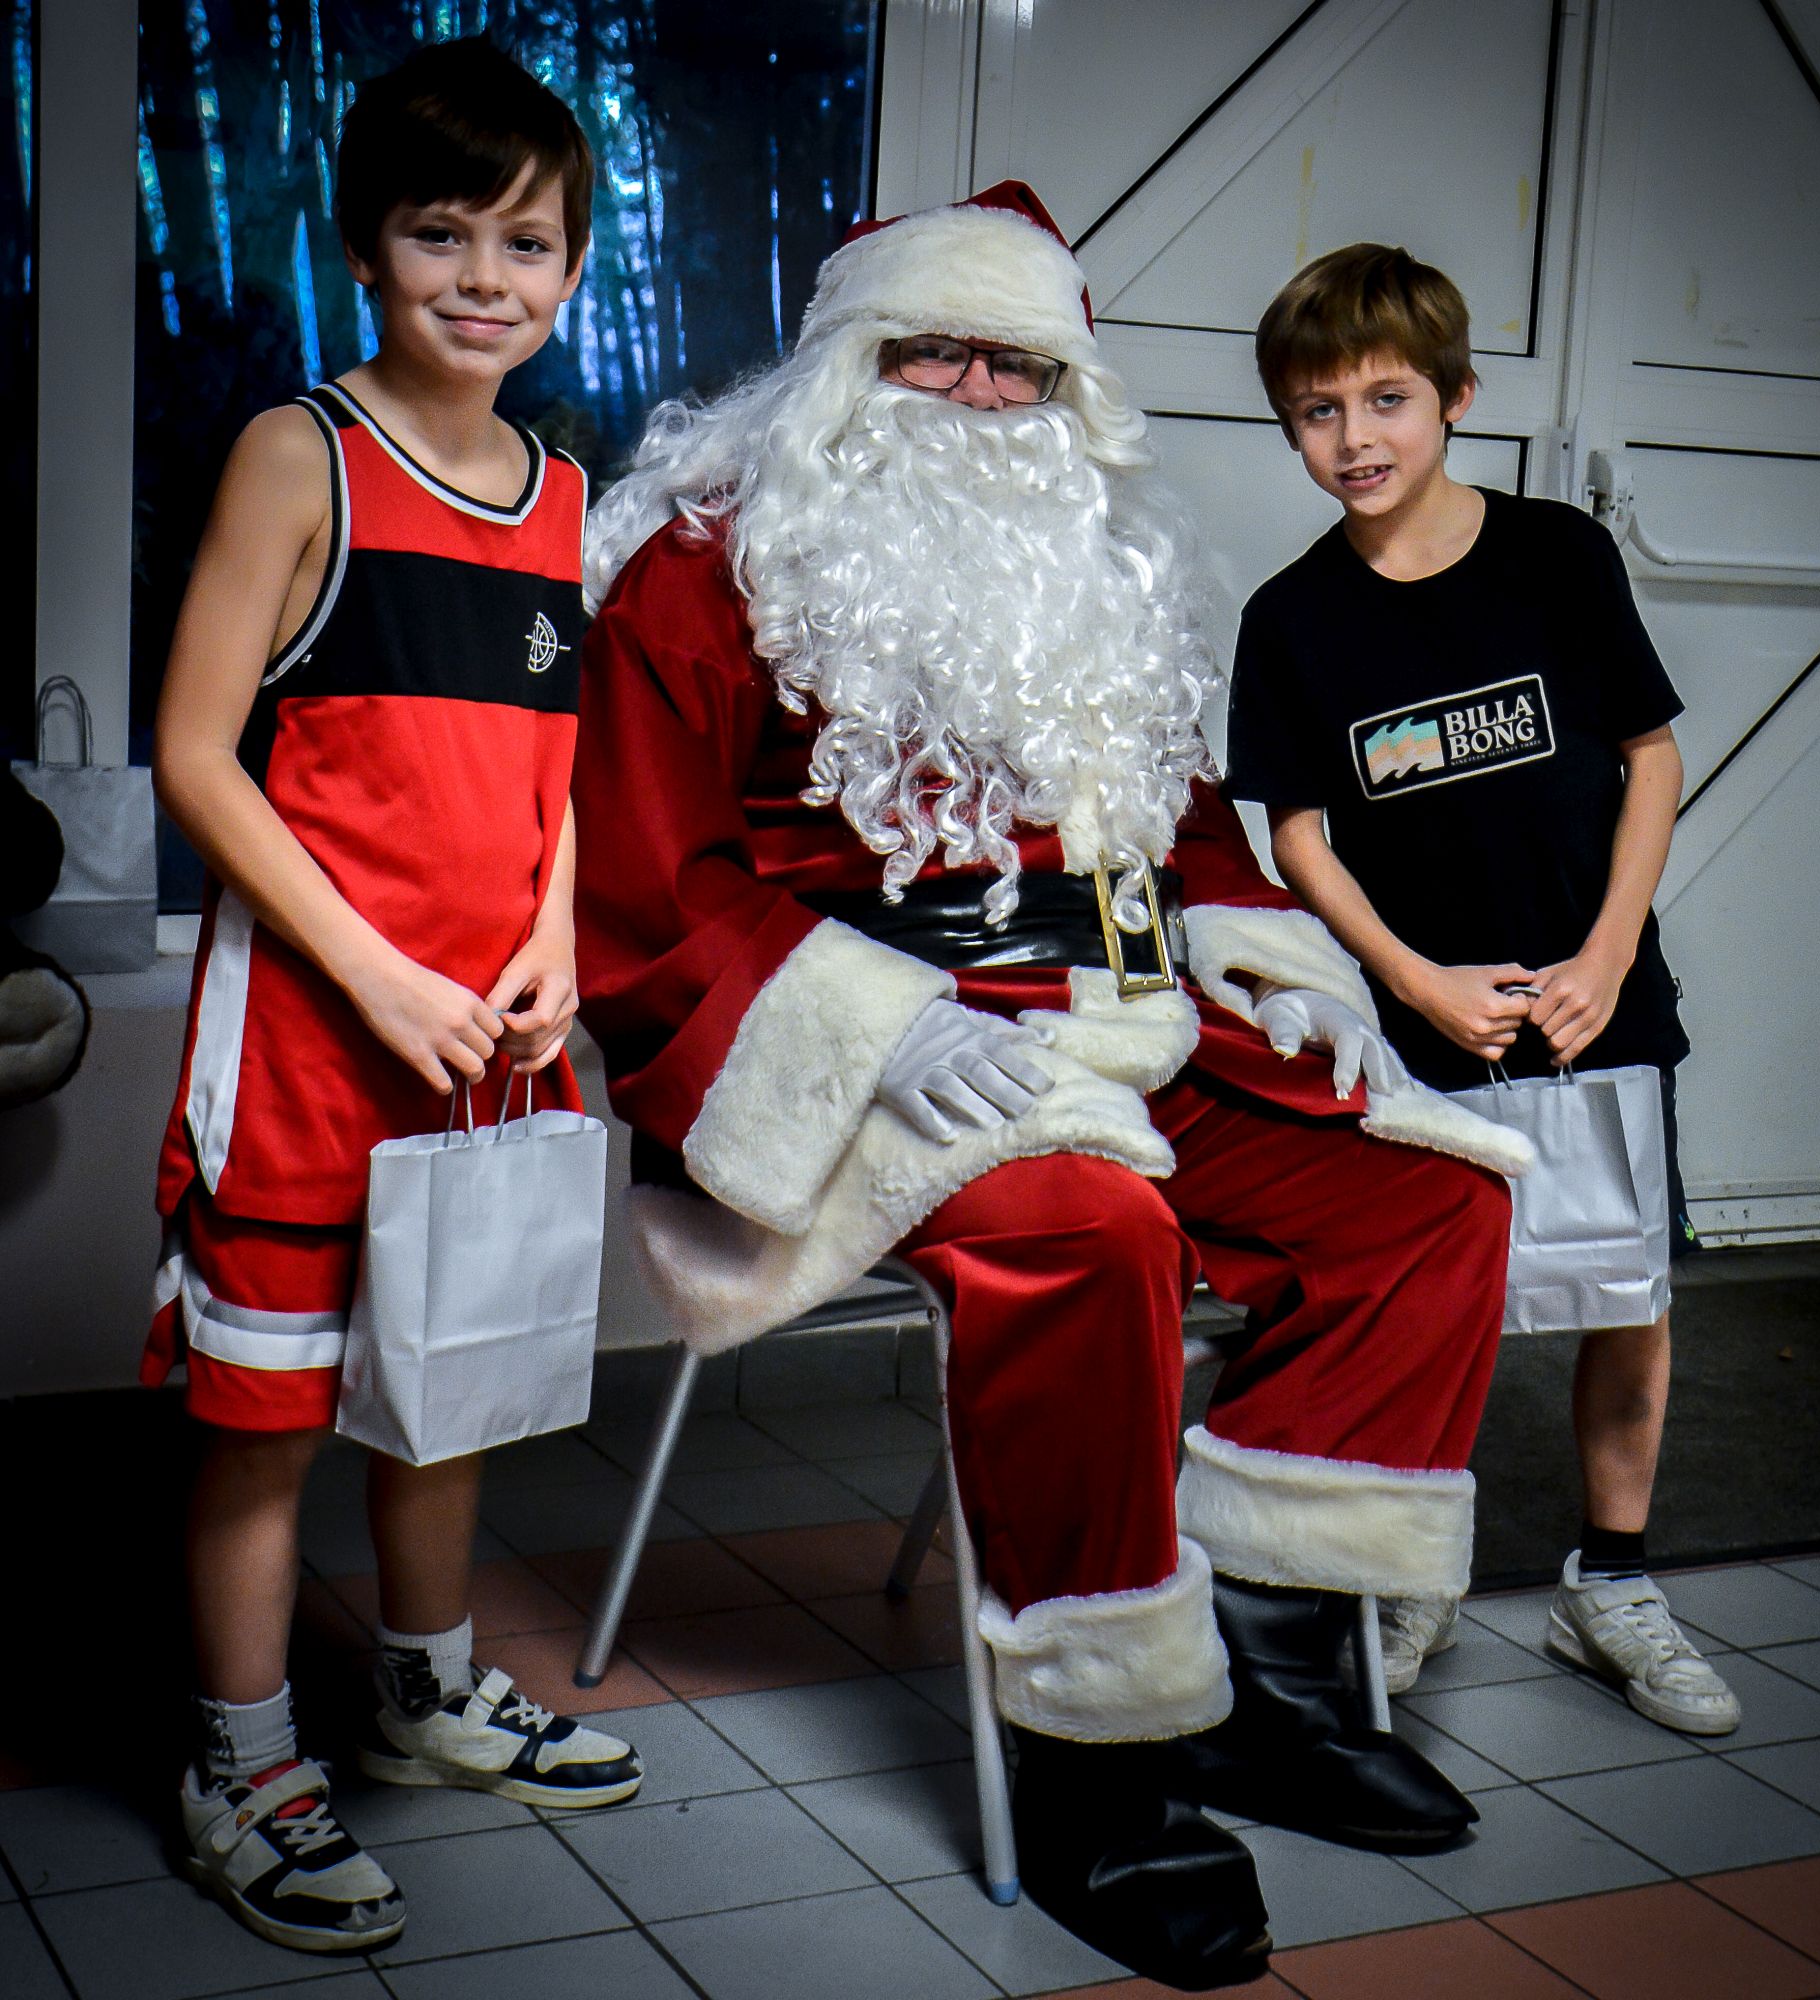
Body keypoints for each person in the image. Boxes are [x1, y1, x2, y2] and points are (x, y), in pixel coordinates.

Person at [575, 182, 1529, 1991]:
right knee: (1094, 1237)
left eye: (1016, 365)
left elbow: (1185, 830)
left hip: (1119, 1023)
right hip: (878, 1049)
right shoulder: (712, 565)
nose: (976, 395)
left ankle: (1272, 1678)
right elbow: (640, 884)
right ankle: (1101, 1759)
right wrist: (878, 1022)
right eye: (931, 352)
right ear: (847, 360)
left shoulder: (1090, 561)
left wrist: (1285, 970)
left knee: (1427, 1201)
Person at [143, 39, 640, 1956]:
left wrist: (557, 940)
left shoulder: (566, 493)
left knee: (450, 1385)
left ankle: (423, 1695)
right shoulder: (305, 456)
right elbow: (196, 757)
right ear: (367, 246)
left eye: (528, 242)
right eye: (443, 234)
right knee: (265, 1423)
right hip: (306, 1044)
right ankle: (243, 1762)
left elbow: (558, 770)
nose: (485, 278)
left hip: (480, 1051)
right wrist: (374, 970)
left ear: (572, 268)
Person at [1226, 242, 1740, 1737]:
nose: (1356, 439)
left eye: (1386, 399)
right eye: (1318, 411)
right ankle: (1417, 1574)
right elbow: (1299, 837)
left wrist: (1607, 956)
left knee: (1627, 1295)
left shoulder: (1558, 557)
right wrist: (1414, 983)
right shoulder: (1291, 617)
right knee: (1429, 1305)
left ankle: (1613, 1584)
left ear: (1455, 397)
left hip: (1595, 998)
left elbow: (1652, 757)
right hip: (1422, 1020)